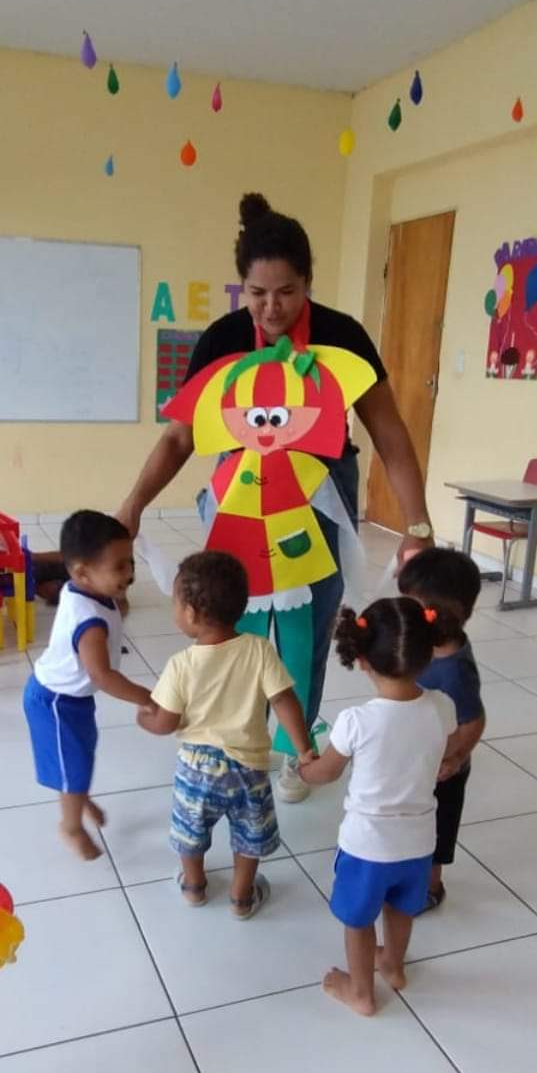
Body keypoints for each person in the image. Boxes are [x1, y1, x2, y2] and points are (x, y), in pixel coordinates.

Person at [116, 192, 433, 806]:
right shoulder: (223, 339)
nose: (271, 308)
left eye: (286, 292)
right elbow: (180, 437)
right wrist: (133, 505)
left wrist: (416, 523)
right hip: (236, 490)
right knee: (227, 624)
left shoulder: (342, 336)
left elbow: (390, 433)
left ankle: (297, 750)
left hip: (321, 494)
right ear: (243, 288)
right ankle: (231, 742)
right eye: (258, 294)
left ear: (308, 282)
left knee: (308, 623)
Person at [300, 599, 461, 1016]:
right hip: (420, 840)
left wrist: (305, 769)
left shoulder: (357, 720)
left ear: (363, 659)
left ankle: (360, 993)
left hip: (367, 846)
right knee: (402, 906)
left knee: (358, 920)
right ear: (427, 656)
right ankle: (393, 964)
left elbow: (328, 773)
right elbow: (443, 745)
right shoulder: (443, 707)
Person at [138, 551, 315, 918]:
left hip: (196, 769)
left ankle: (193, 887)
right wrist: (303, 749)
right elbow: (285, 701)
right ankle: (241, 897)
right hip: (248, 766)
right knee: (250, 833)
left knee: (191, 829)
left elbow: (166, 722)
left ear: (189, 614)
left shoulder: (181, 665)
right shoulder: (259, 649)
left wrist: (146, 719)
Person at [24, 510, 153, 859]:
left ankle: (78, 796)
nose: (128, 575)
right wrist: (145, 697)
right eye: (119, 567)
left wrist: (118, 600)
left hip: (74, 699)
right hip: (54, 701)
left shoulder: (88, 589)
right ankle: (71, 825)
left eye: (130, 564)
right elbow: (103, 676)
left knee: (81, 755)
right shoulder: (90, 621)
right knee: (73, 763)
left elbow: (115, 611)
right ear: (82, 572)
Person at [397, 547, 486, 910]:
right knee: (412, 822)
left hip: (443, 770)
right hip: (419, 759)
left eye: (412, 607)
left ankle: (431, 887)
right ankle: (406, 869)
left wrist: (455, 756)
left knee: (437, 828)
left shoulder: (454, 669)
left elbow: (473, 720)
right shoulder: (426, 647)